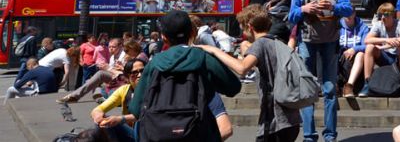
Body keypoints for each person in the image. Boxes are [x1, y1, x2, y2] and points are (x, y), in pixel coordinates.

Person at [129, 10, 242, 142]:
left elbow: (135, 109)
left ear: (164, 37)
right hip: (199, 132)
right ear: (192, 33)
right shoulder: (204, 58)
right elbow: (233, 87)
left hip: (158, 133)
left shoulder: (153, 63)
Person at [198, 8, 301, 142]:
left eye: (242, 28)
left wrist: (214, 50)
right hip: (291, 119)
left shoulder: (260, 44)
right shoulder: (275, 42)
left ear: (250, 27)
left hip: (275, 122)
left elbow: (242, 68)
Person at [288, 0, 353, 142]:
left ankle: (330, 135)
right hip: (307, 41)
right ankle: (309, 135)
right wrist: (304, 8)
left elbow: (348, 8)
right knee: (308, 90)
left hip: (330, 41)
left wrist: (332, 6)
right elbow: (291, 15)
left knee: (330, 89)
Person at [360, 3, 400, 98]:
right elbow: (367, 40)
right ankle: (367, 83)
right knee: (369, 47)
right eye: (380, 15)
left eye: (385, 15)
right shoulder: (378, 24)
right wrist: (386, 40)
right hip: (385, 57)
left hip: (399, 58)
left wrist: (383, 47)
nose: (382, 18)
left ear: (392, 15)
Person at [89, 58, 146, 142]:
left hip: (148, 133)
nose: (140, 75)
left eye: (143, 71)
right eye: (134, 72)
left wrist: (120, 119)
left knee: (138, 122)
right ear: (127, 76)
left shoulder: (154, 89)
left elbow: (146, 115)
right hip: (131, 133)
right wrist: (98, 116)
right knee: (104, 122)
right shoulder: (124, 90)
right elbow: (98, 109)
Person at [339, 9, 370, 98]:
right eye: (345, 13)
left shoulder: (363, 27)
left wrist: (354, 49)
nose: (348, 15)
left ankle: (349, 86)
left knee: (361, 54)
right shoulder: (338, 26)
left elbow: (367, 45)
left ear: (354, 14)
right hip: (341, 55)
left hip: (356, 58)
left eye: (350, 13)